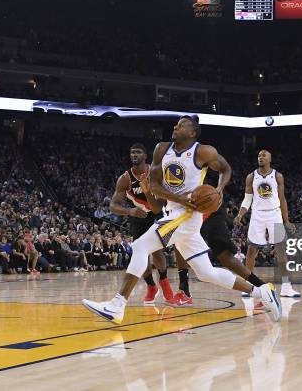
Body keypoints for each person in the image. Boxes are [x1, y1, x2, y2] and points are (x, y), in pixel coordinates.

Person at [83, 115, 281, 323]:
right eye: (176, 124)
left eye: (182, 125)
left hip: (188, 215)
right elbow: (156, 186)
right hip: (174, 211)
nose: (176, 127)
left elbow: (225, 168)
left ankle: (117, 305)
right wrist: (180, 199)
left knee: (140, 247)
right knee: (206, 272)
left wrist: (220, 189)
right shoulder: (162, 149)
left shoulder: (204, 151)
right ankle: (261, 292)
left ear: (192, 132)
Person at [170, 169, 270, 306]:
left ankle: (263, 289)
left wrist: (219, 189)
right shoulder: (167, 166)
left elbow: (224, 168)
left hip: (208, 205)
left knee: (221, 255)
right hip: (194, 206)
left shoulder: (198, 157)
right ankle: (263, 288)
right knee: (223, 256)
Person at [106, 143, 174, 304]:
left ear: (145, 156)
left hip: (158, 212)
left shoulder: (155, 172)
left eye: (138, 152)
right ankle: (151, 286)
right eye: (132, 152)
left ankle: (164, 282)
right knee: (140, 253)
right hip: (139, 215)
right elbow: (113, 206)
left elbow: (166, 194)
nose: (134, 155)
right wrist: (130, 211)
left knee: (157, 251)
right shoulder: (125, 178)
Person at [234, 150, 300, 298]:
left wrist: (286, 220)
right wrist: (240, 214)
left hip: (274, 214)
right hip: (257, 215)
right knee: (251, 250)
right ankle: (248, 285)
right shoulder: (251, 177)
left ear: (270, 159)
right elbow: (247, 199)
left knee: (280, 249)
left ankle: (286, 287)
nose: (260, 157)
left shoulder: (277, 176)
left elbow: (282, 199)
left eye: (264, 156)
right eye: (258, 155)